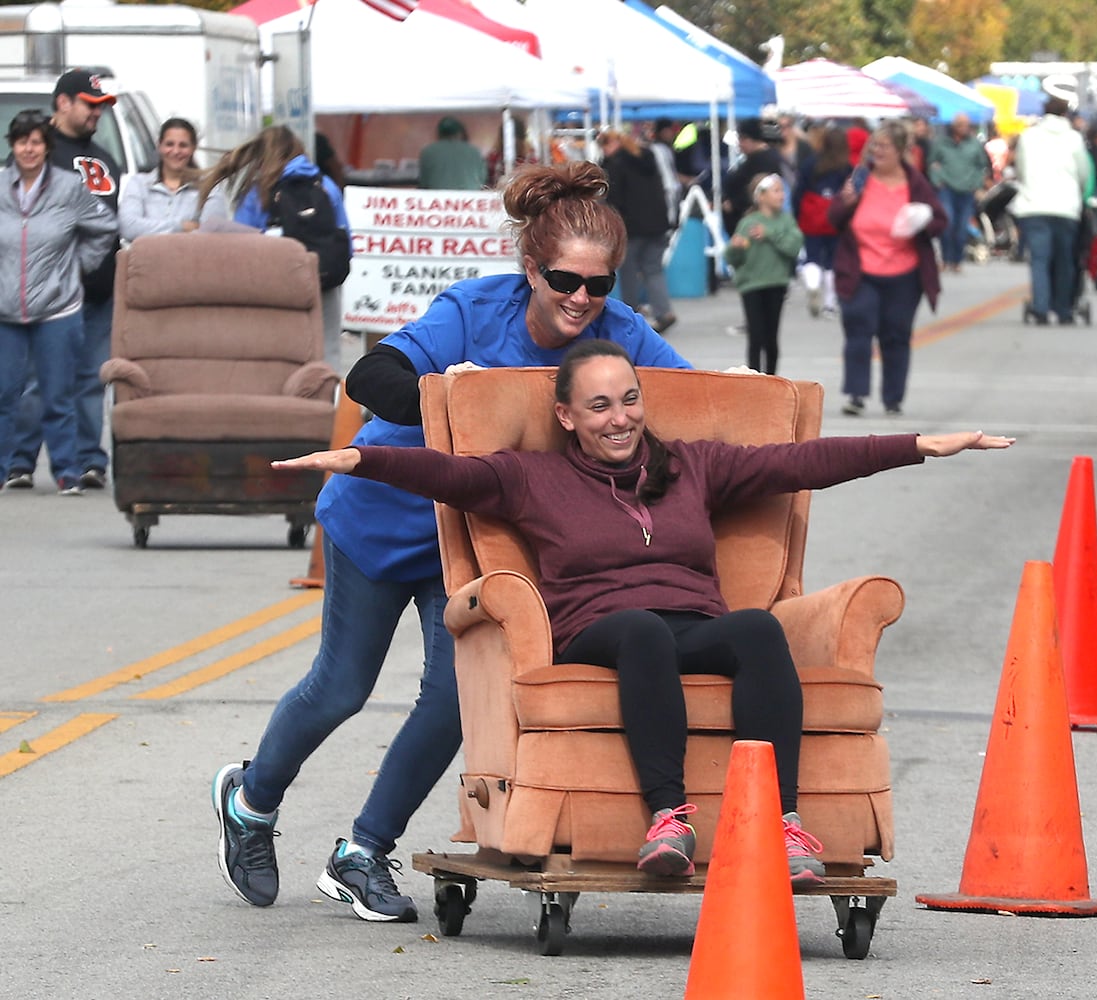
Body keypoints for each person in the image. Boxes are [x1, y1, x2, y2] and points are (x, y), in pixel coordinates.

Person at [270, 338, 1015, 886]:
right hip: (602, 631)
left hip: (689, 623)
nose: (619, 417)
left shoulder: (693, 465)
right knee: (641, 631)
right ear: (566, 416)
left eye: (628, 399)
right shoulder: (532, 478)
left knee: (755, 629)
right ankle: (669, 818)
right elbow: (447, 473)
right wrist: (362, 459)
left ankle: (781, 825)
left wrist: (918, 445)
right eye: (599, 405)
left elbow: (801, 462)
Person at [211, 162, 691, 924]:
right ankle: (251, 800)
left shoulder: (618, 333)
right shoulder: (472, 310)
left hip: (467, 543)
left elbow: (696, 399)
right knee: (342, 687)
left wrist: (741, 390)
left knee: (452, 699)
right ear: (530, 268)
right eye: (565, 279)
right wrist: (447, 393)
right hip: (379, 517)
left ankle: (363, 852)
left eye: (598, 286)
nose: (580, 299)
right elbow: (370, 376)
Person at [4, 70, 122, 493]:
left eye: (102, 105)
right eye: (91, 104)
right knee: (36, 381)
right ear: (63, 103)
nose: (98, 113)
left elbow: (108, 225)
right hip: (45, 296)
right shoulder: (36, 155)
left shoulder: (105, 158)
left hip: (99, 293)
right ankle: (20, 461)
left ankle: (90, 460)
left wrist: (92, 266)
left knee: (91, 379)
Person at [197, 126, 353, 370]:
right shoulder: (326, 186)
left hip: (278, 281)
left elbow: (242, 246)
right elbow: (346, 240)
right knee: (327, 349)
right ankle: (326, 402)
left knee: (280, 350)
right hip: (325, 279)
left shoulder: (259, 192)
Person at [829, 119, 947, 418]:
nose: (876, 151)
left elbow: (939, 221)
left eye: (884, 146)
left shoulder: (915, 183)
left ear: (900, 151)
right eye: (874, 145)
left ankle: (893, 398)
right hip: (860, 271)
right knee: (858, 331)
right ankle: (856, 395)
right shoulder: (860, 177)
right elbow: (834, 216)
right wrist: (846, 202)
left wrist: (921, 220)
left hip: (904, 274)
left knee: (895, 335)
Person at [1011, 97, 1091, 325]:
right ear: (1066, 113)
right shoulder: (1074, 139)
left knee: (1039, 259)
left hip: (1034, 205)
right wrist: (1078, 192)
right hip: (1066, 207)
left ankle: (1041, 307)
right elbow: (1083, 172)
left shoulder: (1029, 137)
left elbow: (1021, 169)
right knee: (1065, 260)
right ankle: (1063, 309)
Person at [601, 128, 677, 334]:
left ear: (614, 144)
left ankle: (630, 313)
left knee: (628, 271)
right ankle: (664, 312)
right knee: (653, 269)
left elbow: (614, 199)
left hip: (631, 226)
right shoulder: (648, 158)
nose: (603, 150)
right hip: (657, 224)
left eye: (605, 144)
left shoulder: (615, 164)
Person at [725, 173, 802, 374]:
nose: (782, 195)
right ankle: (754, 378)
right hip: (751, 285)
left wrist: (769, 234)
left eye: (782, 190)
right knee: (755, 335)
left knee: (771, 337)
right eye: (776, 191)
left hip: (776, 283)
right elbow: (732, 258)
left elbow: (793, 247)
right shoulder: (748, 223)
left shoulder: (786, 221)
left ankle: (772, 379)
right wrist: (736, 248)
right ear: (761, 196)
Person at [118, 118, 228, 241]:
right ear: (159, 146)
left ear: (193, 148)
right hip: (145, 260)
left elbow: (212, 234)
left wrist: (148, 229)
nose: (176, 151)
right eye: (169, 144)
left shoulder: (209, 187)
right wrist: (181, 226)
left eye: (183, 145)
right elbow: (128, 227)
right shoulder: (138, 184)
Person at [792, 126, 850, 318]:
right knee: (833, 261)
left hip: (812, 216)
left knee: (812, 256)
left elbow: (799, 191)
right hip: (836, 218)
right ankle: (829, 304)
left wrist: (796, 213)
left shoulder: (810, 163)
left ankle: (812, 284)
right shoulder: (846, 167)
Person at [928, 113, 991, 275]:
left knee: (962, 227)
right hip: (946, 188)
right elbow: (931, 163)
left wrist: (976, 184)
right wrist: (938, 180)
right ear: (953, 126)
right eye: (960, 124)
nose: (964, 128)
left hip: (966, 189)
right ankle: (946, 258)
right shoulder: (941, 143)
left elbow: (982, 166)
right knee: (947, 223)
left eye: (966, 124)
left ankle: (957, 260)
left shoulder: (974, 144)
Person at [723, 118, 784, 239]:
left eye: (742, 139)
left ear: (751, 139)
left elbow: (760, 189)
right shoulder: (751, 159)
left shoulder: (765, 161)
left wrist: (734, 203)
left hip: (753, 225)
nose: (740, 144)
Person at [417, 116, 487, 191]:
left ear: (439, 133)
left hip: (438, 200)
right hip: (469, 200)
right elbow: (482, 180)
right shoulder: (474, 151)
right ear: (460, 133)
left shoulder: (428, 152)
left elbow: (423, 184)